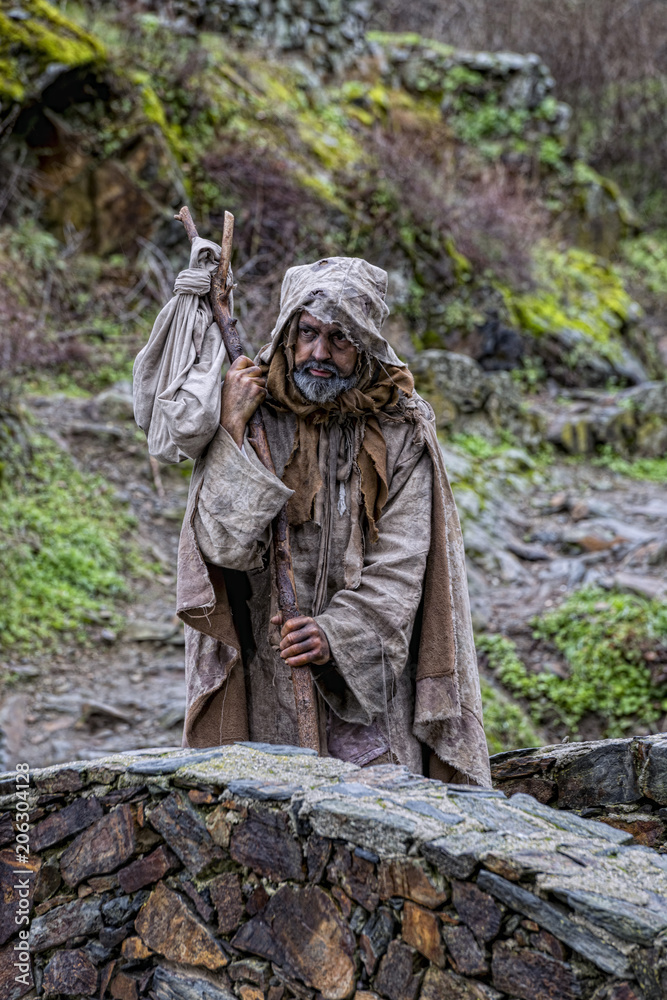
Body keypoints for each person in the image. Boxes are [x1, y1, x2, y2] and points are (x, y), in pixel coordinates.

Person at [135, 250, 490, 786]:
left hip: (370, 689)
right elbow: (220, 544)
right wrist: (231, 430)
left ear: (365, 344)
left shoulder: (400, 430)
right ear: (288, 332)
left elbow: (403, 568)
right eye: (307, 333)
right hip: (266, 681)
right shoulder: (251, 412)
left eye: (340, 338)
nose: (318, 352)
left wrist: (336, 636)